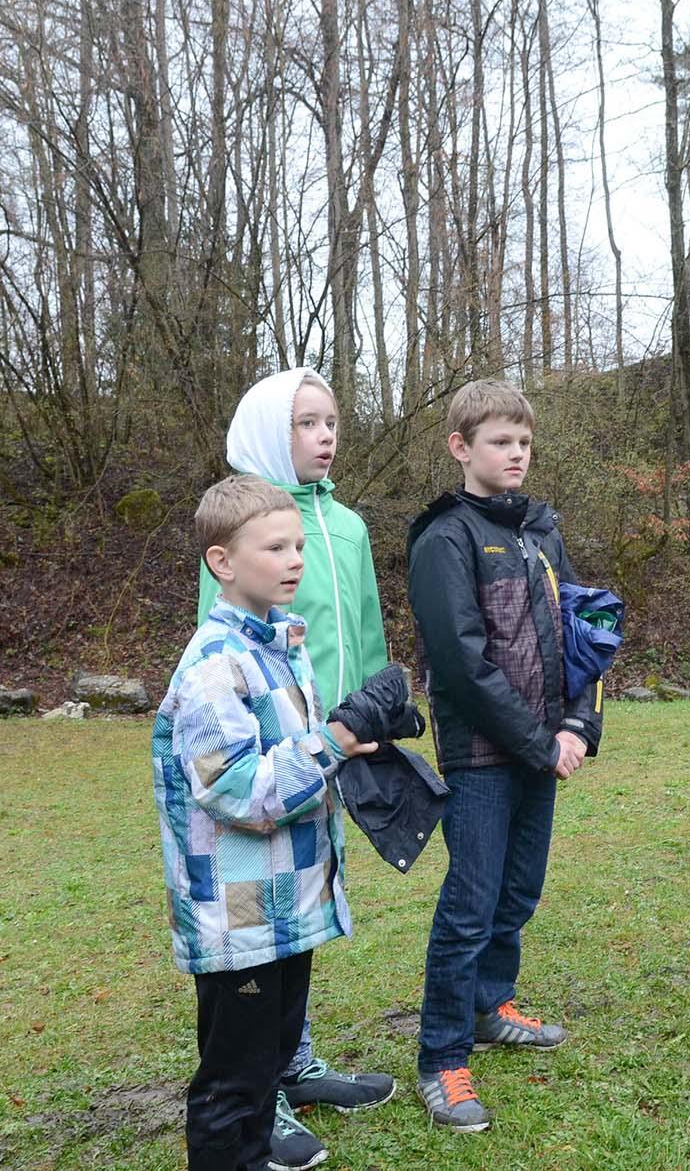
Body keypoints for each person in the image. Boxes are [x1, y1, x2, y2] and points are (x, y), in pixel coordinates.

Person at [196, 368, 396, 1150]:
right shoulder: (240, 527)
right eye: (305, 423)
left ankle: (296, 1062)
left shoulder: (344, 524)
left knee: (304, 903)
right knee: (260, 922)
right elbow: (224, 647)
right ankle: (259, 1089)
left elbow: (366, 625)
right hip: (274, 751)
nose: (324, 435)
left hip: (338, 743)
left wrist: (377, 716)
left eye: (331, 421)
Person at [154, 474, 377, 1171]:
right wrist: (334, 741)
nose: (295, 559)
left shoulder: (280, 647)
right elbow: (241, 789)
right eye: (275, 546)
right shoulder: (215, 665)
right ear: (222, 561)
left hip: (285, 905)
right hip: (238, 917)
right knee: (234, 1082)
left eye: (300, 545)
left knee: (269, 1061)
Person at [407, 379, 606, 1132]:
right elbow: (459, 663)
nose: (515, 453)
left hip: (544, 749)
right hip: (483, 757)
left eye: (523, 441)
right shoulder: (444, 538)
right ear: (461, 447)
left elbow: (582, 632)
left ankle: (493, 1005)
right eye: (499, 441)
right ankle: (441, 1057)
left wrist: (579, 725)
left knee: (517, 893)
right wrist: (536, 741)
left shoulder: (540, 531)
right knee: (469, 904)